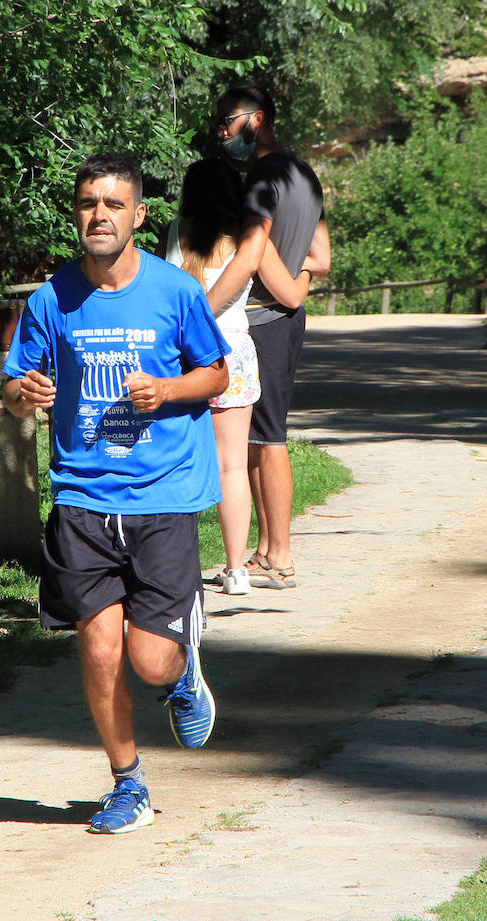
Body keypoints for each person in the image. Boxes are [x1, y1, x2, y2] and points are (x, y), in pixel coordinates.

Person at [3, 152, 227, 834]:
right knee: (99, 649)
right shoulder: (52, 298)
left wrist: (168, 390)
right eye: (87, 203)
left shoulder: (175, 291)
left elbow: (216, 374)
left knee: (148, 658)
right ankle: (127, 783)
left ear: (138, 214)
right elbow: (15, 388)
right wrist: (24, 395)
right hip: (81, 498)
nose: (98, 215)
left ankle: (182, 667)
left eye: (112, 203)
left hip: (160, 496)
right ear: (77, 213)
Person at [160, 158, 313, 596]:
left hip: (183, 356)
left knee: (180, 459)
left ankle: (175, 563)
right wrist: (305, 274)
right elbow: (288, 294)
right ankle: (236, 568)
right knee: (232, 466)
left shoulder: (175, 232)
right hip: (233, 356)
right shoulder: (252, 239)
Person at [204, 83, 330, 590]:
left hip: (266, 319)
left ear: (255, 121)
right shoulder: (304, 173)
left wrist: (201, 311)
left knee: (270, 439)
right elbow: (321, 259)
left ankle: (281, 555)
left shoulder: (258, 180)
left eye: (227, 121)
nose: (220, 132)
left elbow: (253, 253)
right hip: (283, 319)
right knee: (257, 440)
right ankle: (263, 551)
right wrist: (297, 282)